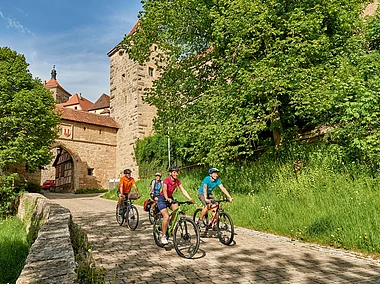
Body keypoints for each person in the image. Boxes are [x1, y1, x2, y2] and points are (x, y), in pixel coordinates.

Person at [157, 166, 194, 245]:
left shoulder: (177, 181)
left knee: (176, 208)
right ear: (170, 173)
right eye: (174, 172)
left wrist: (190, 198)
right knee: (166, 216)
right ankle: (163, 236)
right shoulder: (166, 180)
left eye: (177, 172)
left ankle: (170, 222)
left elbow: (183, 190)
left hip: (170, 198)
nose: (176, 174)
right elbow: (164, 189)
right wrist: (167, 198)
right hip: (162, 198)